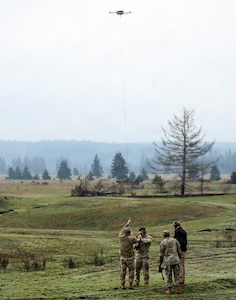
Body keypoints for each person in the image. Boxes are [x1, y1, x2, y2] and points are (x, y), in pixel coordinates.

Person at [158, 230, 182, 295]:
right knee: (176, 274)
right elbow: (179, 250)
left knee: (168, 275)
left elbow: (161, 254)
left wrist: (160, 263)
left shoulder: (163, 242)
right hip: (175, 259)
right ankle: (178, 289)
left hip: (167, 261)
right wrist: (180, 258)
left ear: (164, 235)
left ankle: (169, 290)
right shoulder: (175, 240)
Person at [118, 218, 138, 290]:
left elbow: (122, 229)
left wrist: (127, 223)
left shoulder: (120, 237)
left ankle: (122, 285)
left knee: (123, 272)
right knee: (131, 271)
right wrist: (132, 234)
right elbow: (137, 240)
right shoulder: (131, 238)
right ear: (129, 233)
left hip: (122, 257)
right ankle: (130, 284)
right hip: (130, 258)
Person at [172, 220, 187, 286]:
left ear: (175, 226)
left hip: (179, 250)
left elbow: (176, 242)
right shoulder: (183, 231)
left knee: (179, 265)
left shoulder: (177, 232)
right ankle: (182, 279)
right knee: (182, 264)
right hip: (184, 249)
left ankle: (180, 279)